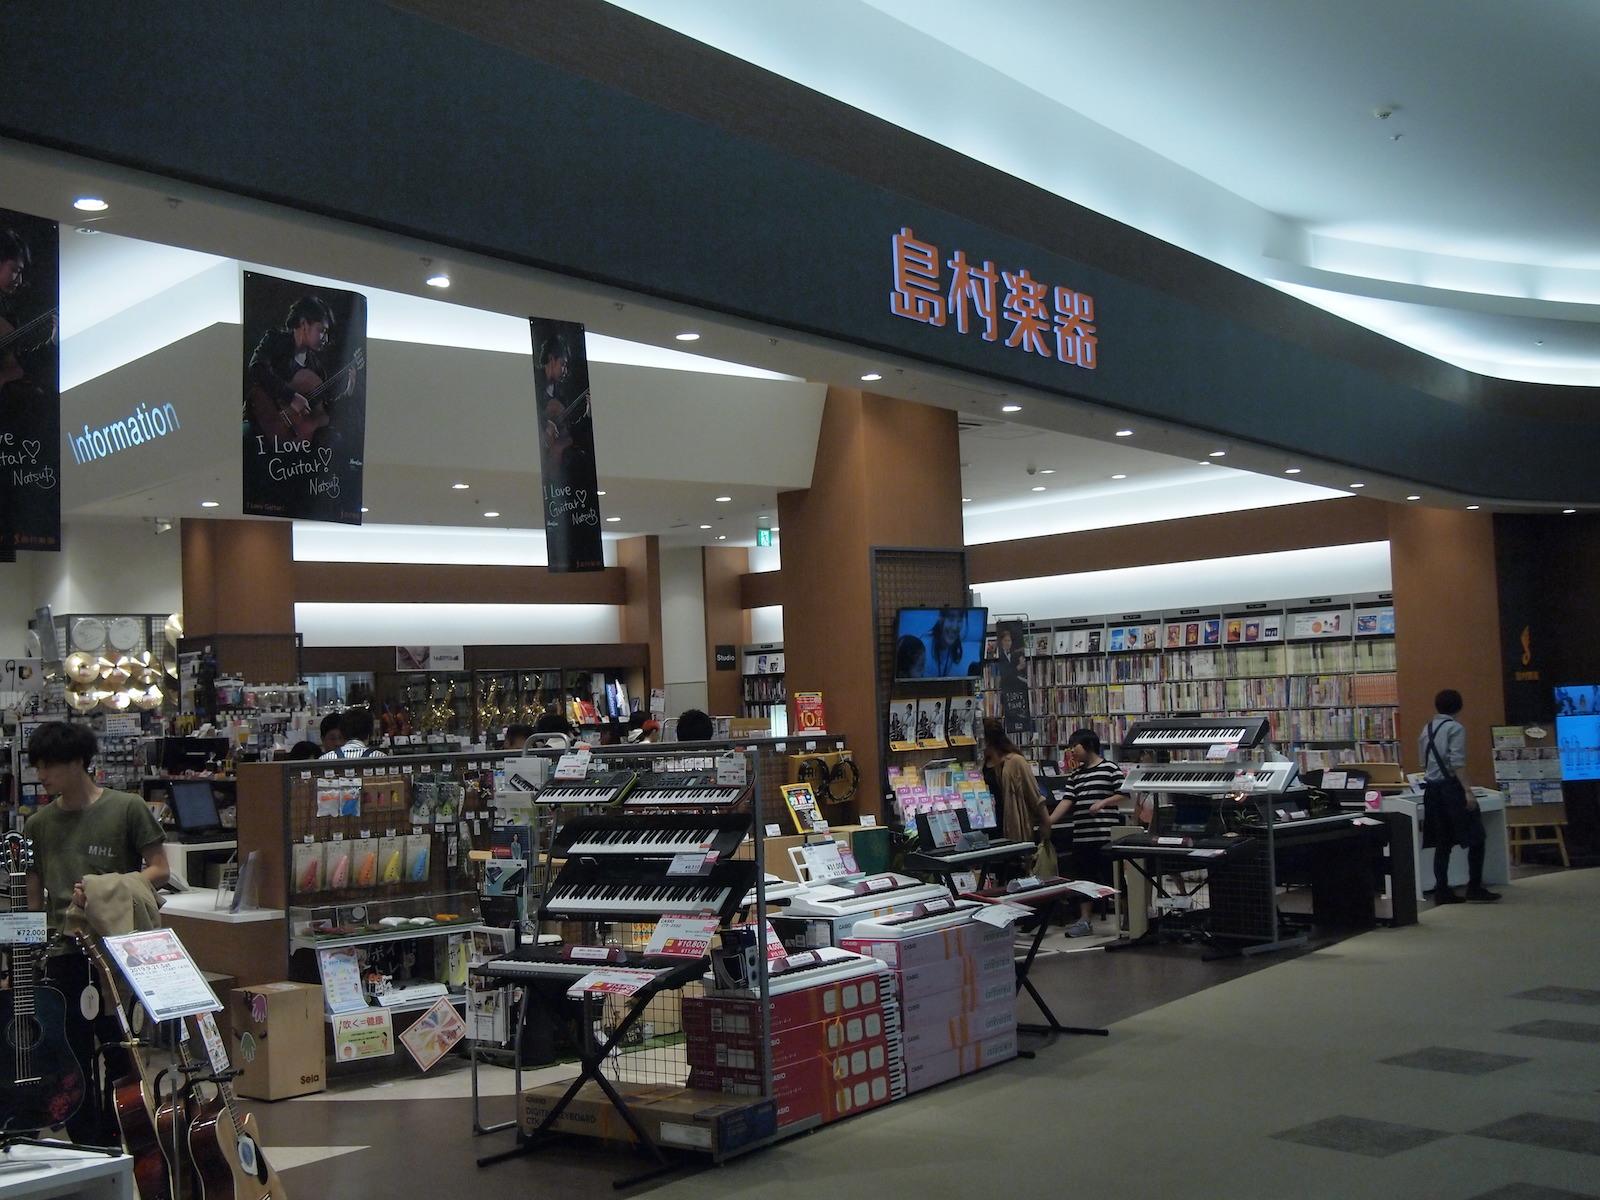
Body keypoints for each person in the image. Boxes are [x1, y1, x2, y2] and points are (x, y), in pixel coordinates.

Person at [22, 722, 169, 1144]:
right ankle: (89, 1147)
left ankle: (133, 1140)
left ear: (77, 762)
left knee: (122, 1050)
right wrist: (25, 962)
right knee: (72, 1057)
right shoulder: (39, 824)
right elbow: (33, 903)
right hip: (64, 955)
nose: (41, 776)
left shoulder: (126, 808)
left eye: (48, 765)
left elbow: (160, 869)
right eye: (37, 766)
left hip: (117, 952)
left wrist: (106, 888)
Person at [1420, 688, 1499, 903]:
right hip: (1451, 789)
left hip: (1432, 790)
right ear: (1459, 706)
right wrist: (1467, 791)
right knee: (1476, 836)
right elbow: (1457, 763)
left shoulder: (1427, 728)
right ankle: (1475, 887)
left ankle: (1442, 890)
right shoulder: (1455, 728)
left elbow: (1422, 761)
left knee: (1442, 842)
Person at [1049, 728, 1127, 936]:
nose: (1071, 751)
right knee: (1085, 880)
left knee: (1114, 877)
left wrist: (1103, 802)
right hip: (1082, 837)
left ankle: (1129, 916)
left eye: (1074, 746)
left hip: (1105, 837)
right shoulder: (1076, 775)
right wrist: (1049, 821)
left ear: (1088, 745)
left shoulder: (1110, 768)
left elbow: (1124, 793)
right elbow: (1067, 800)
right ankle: (1085, 921)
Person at [244, 294, 355, 438]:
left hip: (285, 437)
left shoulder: (316, 369)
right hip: (256, 420)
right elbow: (256, 368)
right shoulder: (274, 340)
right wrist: (291, 397)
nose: (326, 339)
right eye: (322, 330)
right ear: (304, 324)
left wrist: (347, 392)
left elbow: (321, 409)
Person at [983, 718, 1050, 850]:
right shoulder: (985, 762)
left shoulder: (1015, 761)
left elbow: (1034, 795)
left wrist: (1046, 823)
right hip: (990, 825)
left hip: (1012, 825)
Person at [922, 608, 977, 678]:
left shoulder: (958, 648)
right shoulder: (924, 646)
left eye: (960, 620)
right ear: (940, 619)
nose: (955, 627)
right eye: (951, 619)